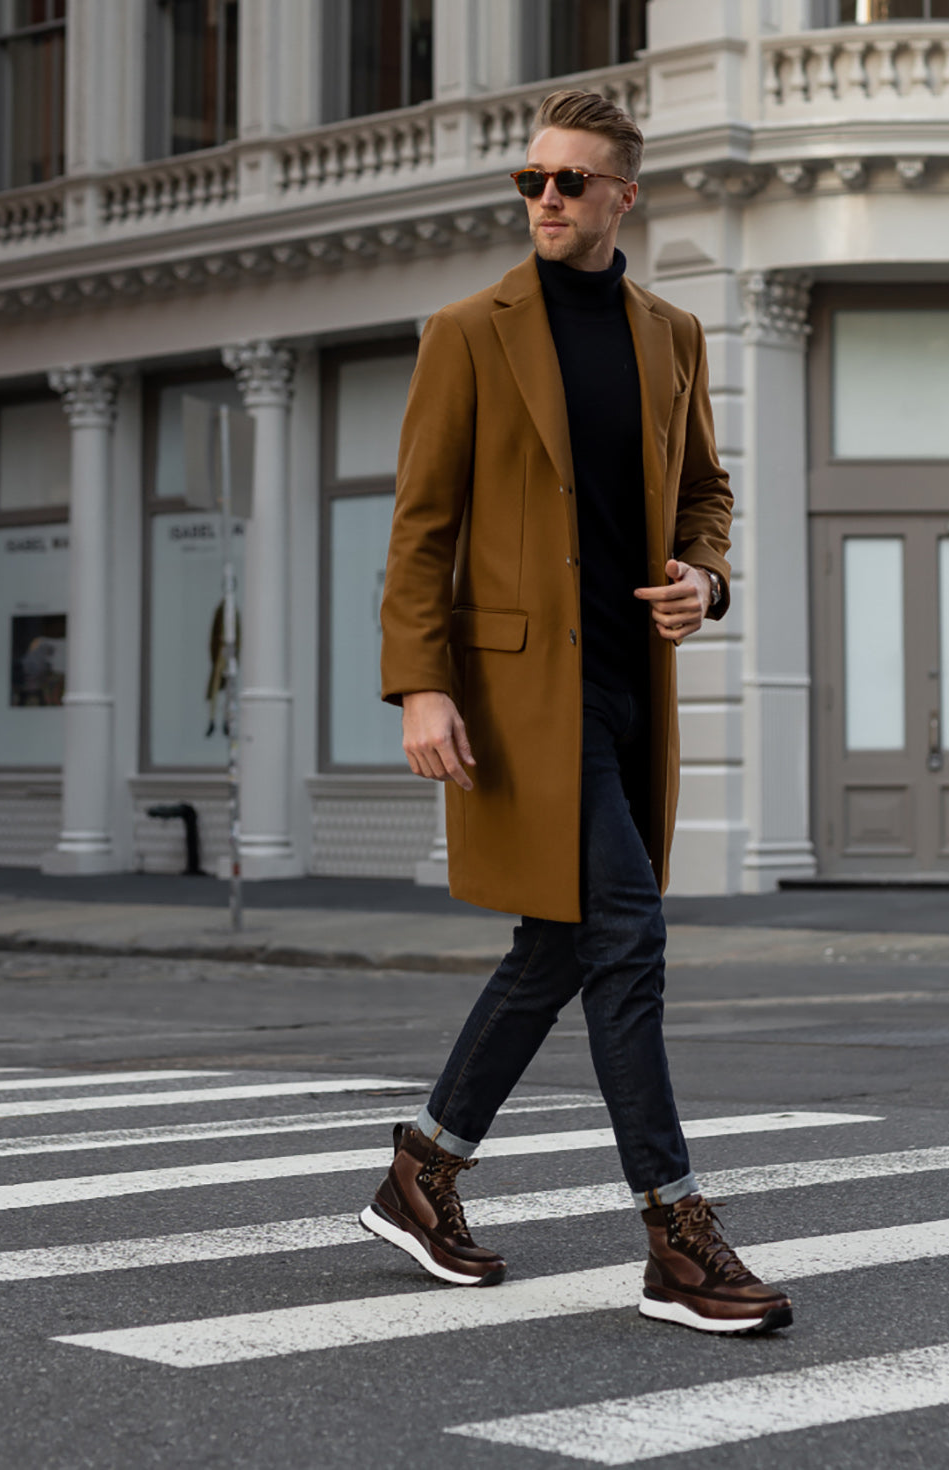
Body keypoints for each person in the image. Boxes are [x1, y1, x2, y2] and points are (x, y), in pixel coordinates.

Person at [360, 89, 792, 1336]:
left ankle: (420, 1173)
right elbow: (420, 528)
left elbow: (705, 490)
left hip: (624, 691)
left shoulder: (671, 334)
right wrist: (421, 682)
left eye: (568, 182)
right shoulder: (467, 333)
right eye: (530, 182)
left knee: (558, 947)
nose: (543, 199)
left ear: (621, 196)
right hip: (516, 696)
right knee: (624, 935)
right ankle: (673, 1234)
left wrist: (704, 579)